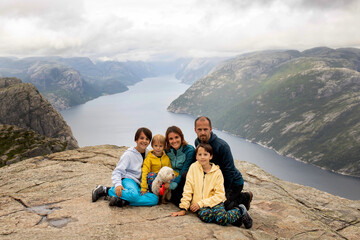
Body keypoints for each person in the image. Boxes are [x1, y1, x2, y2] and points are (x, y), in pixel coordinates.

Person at [171, 143, 252, 229]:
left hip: (215, 202)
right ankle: (236, 218)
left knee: (221, 218)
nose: (202, 157)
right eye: (200, 154)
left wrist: (200, 203)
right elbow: (188, 189)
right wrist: (184, 208)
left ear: (211, 156)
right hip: (201, 205)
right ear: (196, 157)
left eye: (205, 154)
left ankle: (241, 210)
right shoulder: (193, 168)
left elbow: (220, 195)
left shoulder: (217, 172)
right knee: (204, 216)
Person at [194, 116, 253, 211]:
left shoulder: (222, 146)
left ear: (211, 129)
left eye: (205, 129)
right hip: (215, 181)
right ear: (195, 130)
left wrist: (222, 194)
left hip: (233, 183)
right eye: (199, 130)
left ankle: (245, 197)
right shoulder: (197, 142)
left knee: (222, 206)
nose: (203, 132)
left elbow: (229, 171)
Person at [92, 127, 158, 207]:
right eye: (141, 138)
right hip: (128, 180)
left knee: (154, 199)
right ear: (136, 139)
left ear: (149, 142)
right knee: (134, 195)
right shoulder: (129, 154)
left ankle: (122, 201)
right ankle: (106, 190)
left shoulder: (149, 154)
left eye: (147, 139)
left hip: (138, 185)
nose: (144, 141)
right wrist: (118, 185)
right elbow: (117, 171)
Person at [165, 126, 196, 205]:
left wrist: (173, 184)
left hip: (183, 181)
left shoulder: (189, 150)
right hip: (171, 178)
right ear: (168, 141)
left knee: (177, 201)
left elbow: (185, 169)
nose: (174, 141)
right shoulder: (167, 151)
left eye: (176, 137)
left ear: (181, 137)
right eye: (171, 139)